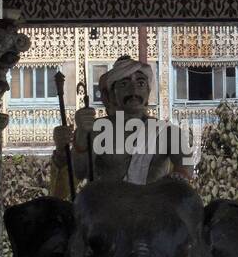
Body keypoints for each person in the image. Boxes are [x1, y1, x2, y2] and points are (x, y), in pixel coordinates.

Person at [49, 55, 194, 199]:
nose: (133, 90)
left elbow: (186, 162)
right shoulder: (98, 130)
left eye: (140, 84)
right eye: (124, 84)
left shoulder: (168, 132)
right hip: (107, 213)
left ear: (148, 92)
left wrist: (180, 175)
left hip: (152, 213)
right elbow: (80, 172)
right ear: (112, 95)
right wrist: (80, 135)